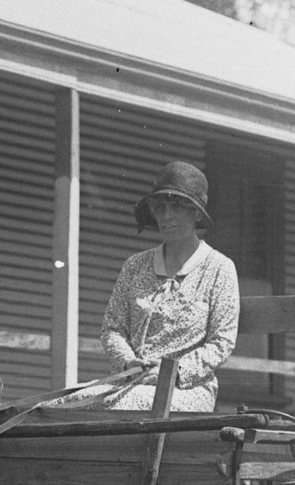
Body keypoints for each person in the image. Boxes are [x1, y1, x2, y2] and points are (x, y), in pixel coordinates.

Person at [96, 161, 240, 412]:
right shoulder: (135, 265)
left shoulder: (219, 268)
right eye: (160, 208)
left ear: (196, 213)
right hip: (129, 383)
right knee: (60, 404)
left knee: (119, 405)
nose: (166, 216)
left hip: (187, 390)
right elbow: (112, 328)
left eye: (177, 207)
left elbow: (222, 342)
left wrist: (171, 373)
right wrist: (128, 362)